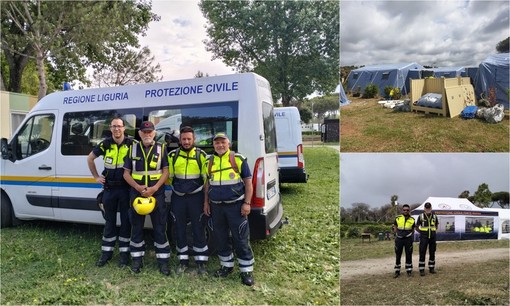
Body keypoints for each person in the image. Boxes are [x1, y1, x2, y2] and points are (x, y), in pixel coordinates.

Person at [203, 132, 255, 286]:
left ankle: (246, 270)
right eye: (217, 142)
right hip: (216, 207)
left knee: (241, 237)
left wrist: (247, 203)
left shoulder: (237, 159)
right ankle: (226, 266)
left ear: (228, 143)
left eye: (223, 142)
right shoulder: (209, 161)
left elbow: (248, 183)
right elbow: (207, 184)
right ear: (213, 145)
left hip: (236, 207)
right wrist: (206, 203)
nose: (220, 145)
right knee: (220, 238)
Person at [123, 121, 170, 275]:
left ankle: (163, 262)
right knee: (136, 228)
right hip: (137, 194)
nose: (147, 134)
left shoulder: (162, 148)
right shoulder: (132, 149)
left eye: (150, 132)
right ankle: (137, 260)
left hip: (156, 194)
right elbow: (126, 173)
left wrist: (154, 188)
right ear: (140, 134)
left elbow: (165, 172)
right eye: (144, 132)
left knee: (160, 228)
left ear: (154, 133)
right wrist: (138, 187)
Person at [87, 117, 132, 268]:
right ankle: (106, 254)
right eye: (114, 126)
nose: (116, 129)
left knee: (126, 222)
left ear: (124, 128)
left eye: (119, 126)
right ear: (111, 128)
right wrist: (96, 177)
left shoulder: (132, 144)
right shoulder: (106, 144)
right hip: (110, 189)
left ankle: (124, 256)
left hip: (126, 189)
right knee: (109, 222)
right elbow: (90, 159)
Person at [167, 126, 208, 275]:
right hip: (178, 198)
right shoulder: (172, 156)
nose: (186, 142)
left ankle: (201, 263)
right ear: (179, 140)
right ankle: (182, 261)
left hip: (196, 198)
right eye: (183, 139)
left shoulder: (201, 155)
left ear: (194, 139)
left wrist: (205, 201)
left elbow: (206, 180)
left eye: (189, 139)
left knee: (198, 229)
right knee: (179, 229)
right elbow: (169, 177)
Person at [392, 204, 415, 278]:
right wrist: (395, 235)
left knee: (409, 255)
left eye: (407, 210)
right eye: (404, 210)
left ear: (409, 210)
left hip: (408, 239)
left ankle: (409, 270)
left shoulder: (412, 219)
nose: (406, 211)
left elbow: (413, 229)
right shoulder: (397, 218)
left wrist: (410, 235)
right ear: (402, 210)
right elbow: (395, 227)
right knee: (398, 255)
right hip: (399, 239)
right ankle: (397, 271)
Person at [416, 202, 438, 276]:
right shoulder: (421, 216)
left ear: (431, 208)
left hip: (432, 237)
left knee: (432, 252)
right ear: (424, 209)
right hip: (424, 237)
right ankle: (421, 269)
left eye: (429, 208)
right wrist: (421, 232)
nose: (428, 209)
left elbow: (436, 225)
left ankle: (431, 268)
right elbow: (416, 226)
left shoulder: (434, 216)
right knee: (422, 252)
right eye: (426, 208)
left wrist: (433, 231)